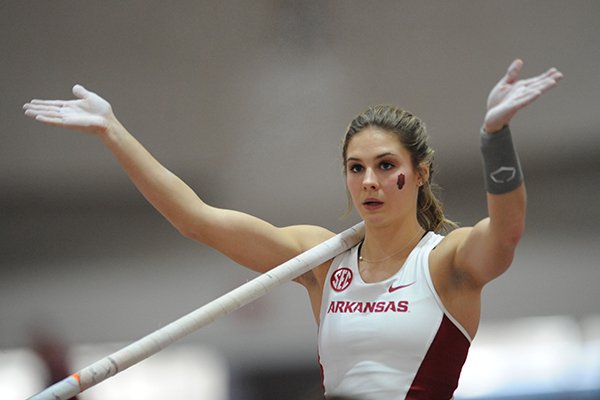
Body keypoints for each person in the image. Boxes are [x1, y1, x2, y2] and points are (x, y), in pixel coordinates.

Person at [23, 59, 562, 399]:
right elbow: (196, 219)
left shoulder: (448, 262)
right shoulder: (320, 261)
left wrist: (495, 137)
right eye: (356, 168)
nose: (370, 182)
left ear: (420, 174)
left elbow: (507, 230)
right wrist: (113, 132)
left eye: (385, 166)